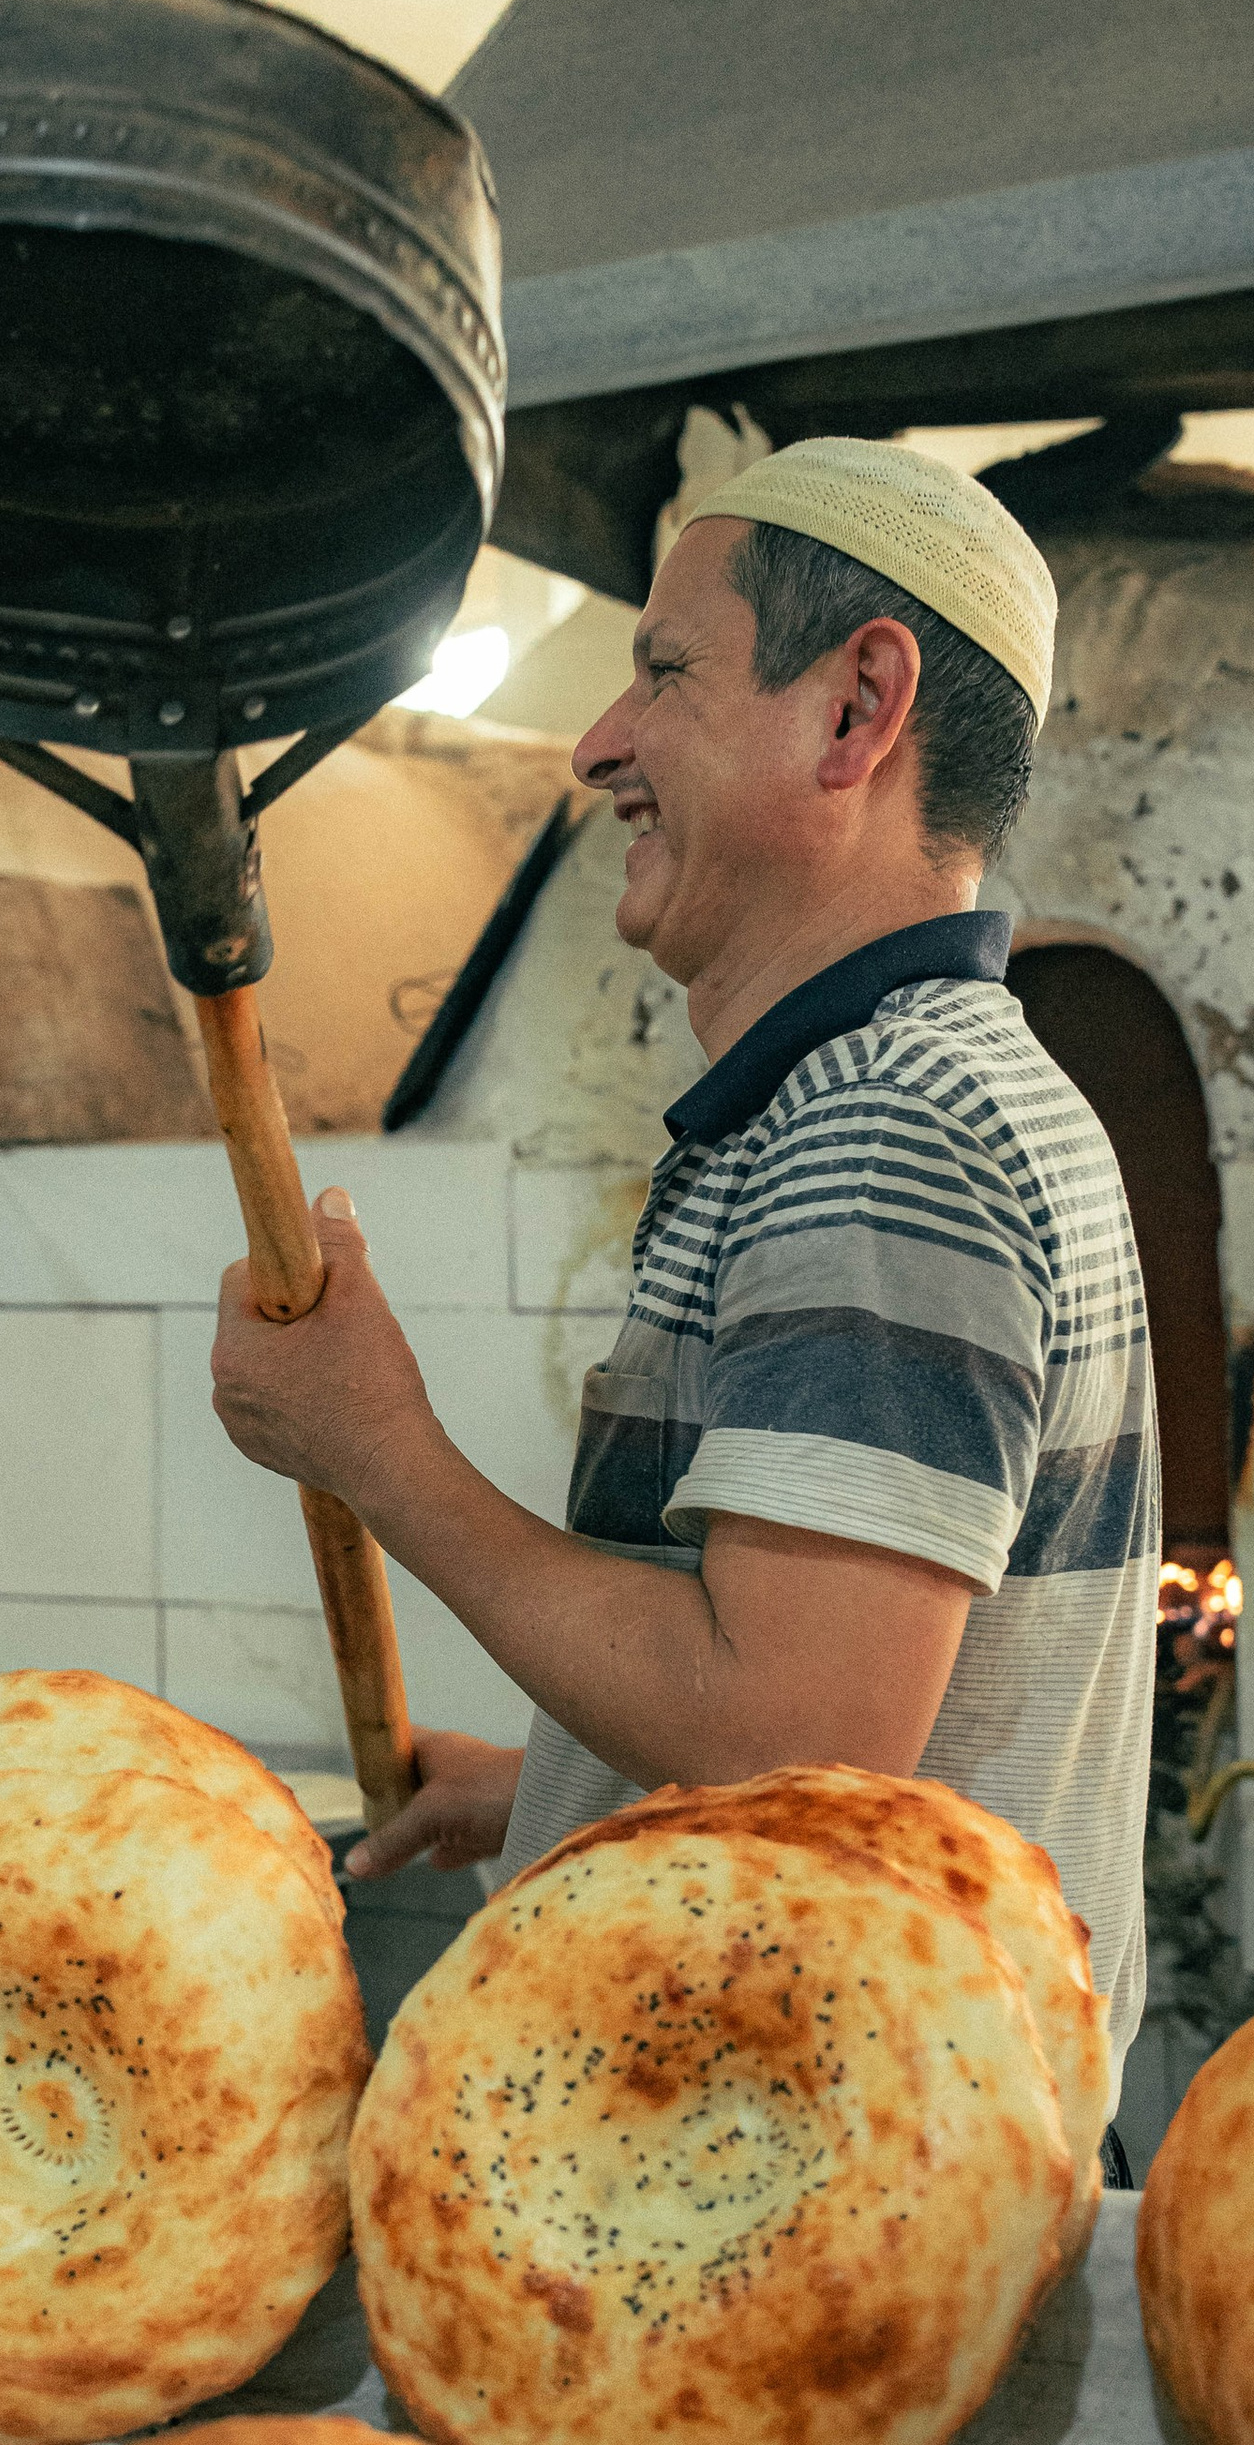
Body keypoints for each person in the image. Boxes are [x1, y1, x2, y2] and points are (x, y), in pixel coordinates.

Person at [212, 438, 1160, 2060]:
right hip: (886, 2127)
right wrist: (550, 1793)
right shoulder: (902, 1090)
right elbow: (854, 1716)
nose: (595, 745)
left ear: (857, 709)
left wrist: (378, 1451)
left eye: (663, 671)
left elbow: (797, 1734)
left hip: (859, 2180)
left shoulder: (890, 1120)